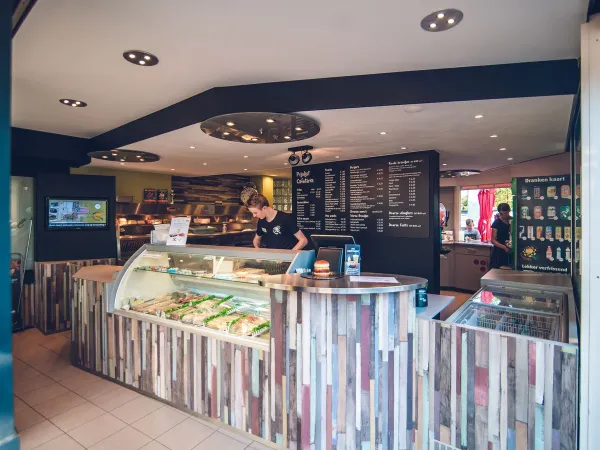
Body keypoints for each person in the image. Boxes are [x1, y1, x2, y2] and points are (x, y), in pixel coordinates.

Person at [490, 203, 511, 269]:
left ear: (509, 211)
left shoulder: (513, 220)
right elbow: (493, 240)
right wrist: (504, 247)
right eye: (501, 214)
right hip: (499, 250)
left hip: (511, 249)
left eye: (505, 213)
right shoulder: (497, 222)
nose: (504, 216)